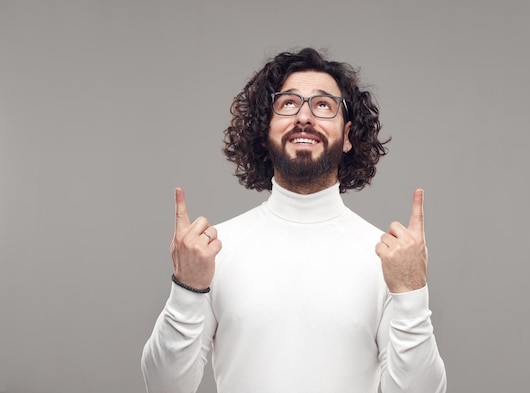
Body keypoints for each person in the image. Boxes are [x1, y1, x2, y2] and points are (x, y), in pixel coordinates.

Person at [141, 47, 447, 393]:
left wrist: (411, 294)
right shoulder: (214, 252)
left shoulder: (385, 259)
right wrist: (187, 288)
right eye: (288, 103)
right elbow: (164, 387)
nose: (304, 117)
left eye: (323, 105)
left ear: (347, 136)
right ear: (265, 129)